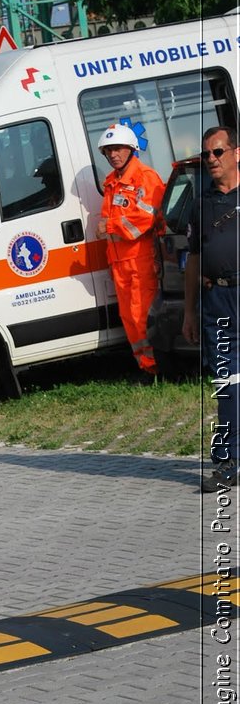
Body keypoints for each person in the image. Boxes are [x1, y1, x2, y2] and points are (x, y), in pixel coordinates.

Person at [182, 125, 240, 493]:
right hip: (217, 300)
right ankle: (227, 463)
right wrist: (189, 311)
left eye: (218, 152)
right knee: (225, 385)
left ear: (236, 152)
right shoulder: (200, 203)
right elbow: (193, 261)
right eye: (207, 155)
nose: (212, 160)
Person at [95, 123, 165, 376]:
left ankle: (158, 365)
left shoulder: (146, 177)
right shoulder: (111, 182)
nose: (113, 154)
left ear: (131, 149)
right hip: (119, 262)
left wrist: (109, 226)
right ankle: (146, 367)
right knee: (129, 318)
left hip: (141, 260)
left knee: (142, 316)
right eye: (108, 150)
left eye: (118, 149)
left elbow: (143, 220)